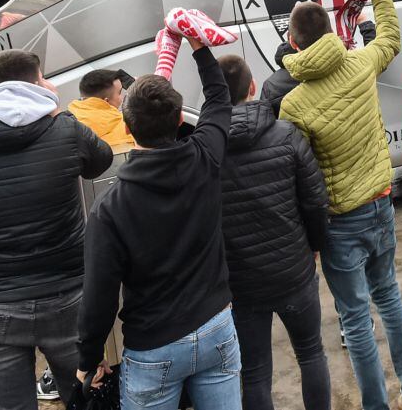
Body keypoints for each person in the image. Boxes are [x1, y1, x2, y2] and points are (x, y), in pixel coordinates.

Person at [279, 0, 402, 410]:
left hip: (340, 222)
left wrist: (309, 238)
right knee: (390, 297)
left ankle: (375, 405)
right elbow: (390, 38)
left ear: (292, 41)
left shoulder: (293, 105)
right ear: (331, 33)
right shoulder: (361, 65)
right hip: (382, 204)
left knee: (356, 319)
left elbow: (301, 180)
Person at [0, 51, 113, 410]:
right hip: (66, 294)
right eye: (45, 79)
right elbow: (102, 161)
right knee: (87, 398)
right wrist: (54, 113)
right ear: (35, 85)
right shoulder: (65, 129)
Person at [77, 40, 241, 410]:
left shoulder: (109, 208)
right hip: (216, 326)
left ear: (128, 128)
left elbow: (99, 297)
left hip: (153, 347)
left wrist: (89, 358)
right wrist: (199, 46)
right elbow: (218, 100)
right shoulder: (205, 157)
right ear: (180, 119)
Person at [217, 54, 331, 410]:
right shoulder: (287, 135)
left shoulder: (206, 152)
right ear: (252, 87)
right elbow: (315, 201)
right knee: (311, 353)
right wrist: (315, 247)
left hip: (242, 283)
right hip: (294, 271)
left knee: (253, 373)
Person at [68, 69, 134, 151]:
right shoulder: (128, 128)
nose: (122, 97)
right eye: (119, 92)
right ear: (106, 101)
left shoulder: (69, 123)